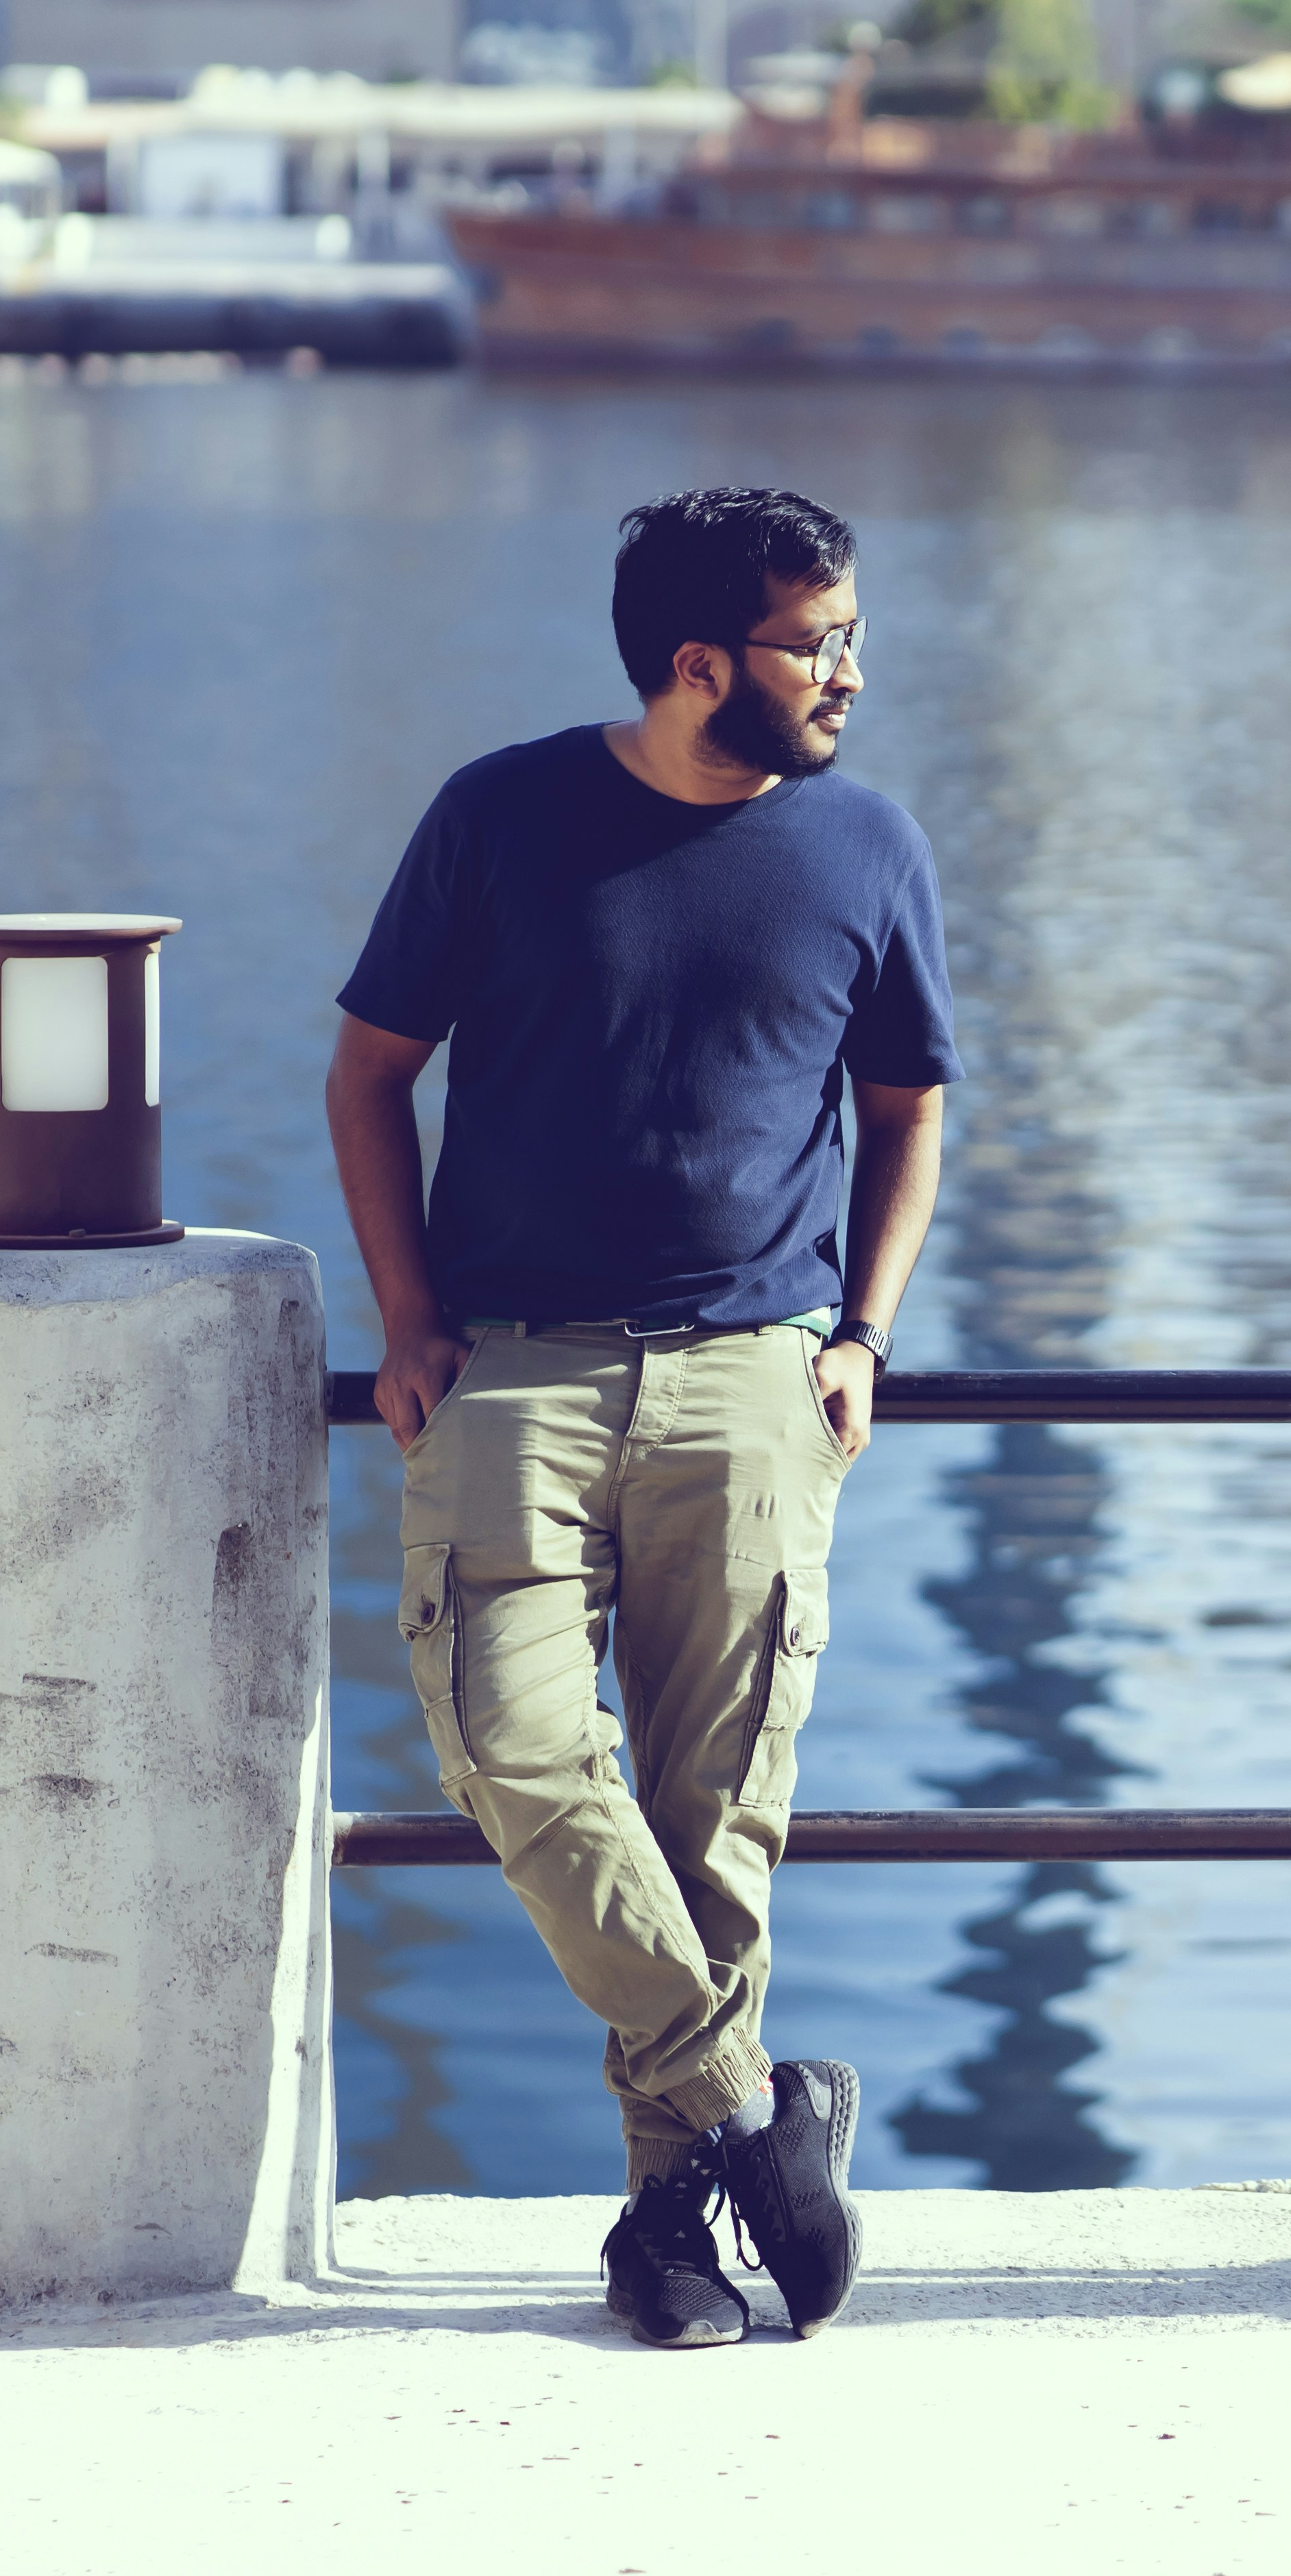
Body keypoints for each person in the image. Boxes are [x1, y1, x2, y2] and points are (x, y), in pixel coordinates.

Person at [325, 484, 955, 2349]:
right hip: (511, 1368)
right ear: (701, 665)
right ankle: (766, 2114)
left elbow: (911, 1102)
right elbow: (369, 1076)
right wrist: (412, 1314)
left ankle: (668, 2233)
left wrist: (866, 1333)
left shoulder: (866, 846)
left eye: (850, 632)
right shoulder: (499, 818)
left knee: (712, 1830)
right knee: (515, 1754)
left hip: (760, 1382)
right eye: (816, 641)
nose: (852, 670)